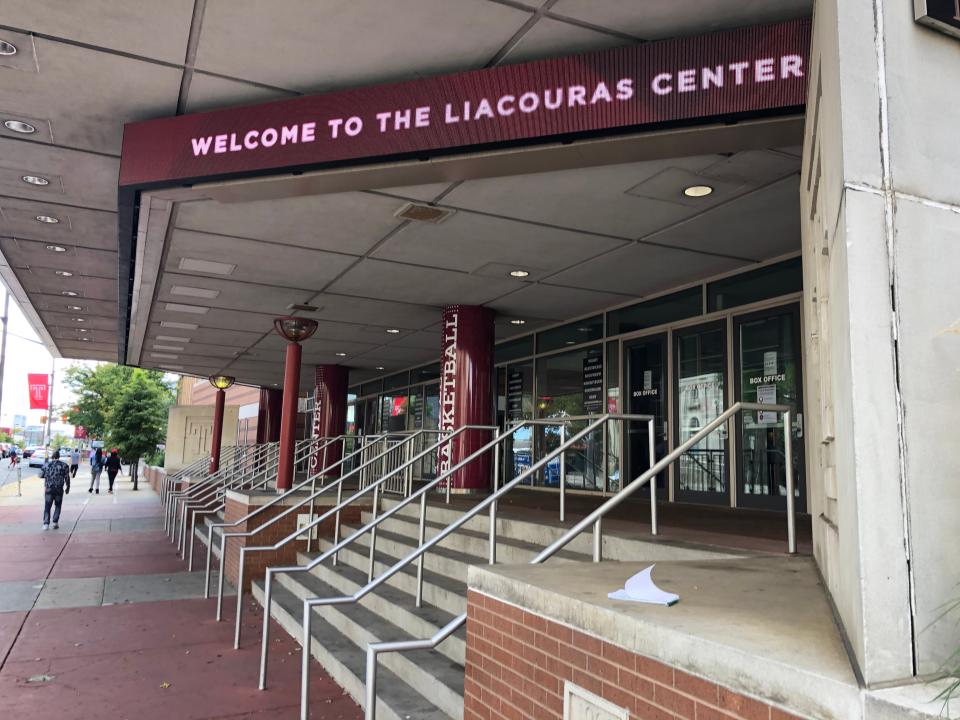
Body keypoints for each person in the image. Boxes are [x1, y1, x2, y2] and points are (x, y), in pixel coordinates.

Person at [41, 450, 70, 530]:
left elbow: (40, 475)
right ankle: (55, 522)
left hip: (49, 489)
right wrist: (68, 487)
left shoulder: (47, 465)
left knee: (47, 506)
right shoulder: (64, 465)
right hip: (59, 489)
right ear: (59, 456)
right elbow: (67, 477)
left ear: (52, 456)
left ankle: (46, 524)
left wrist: (47, 475)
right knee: (58, 505)